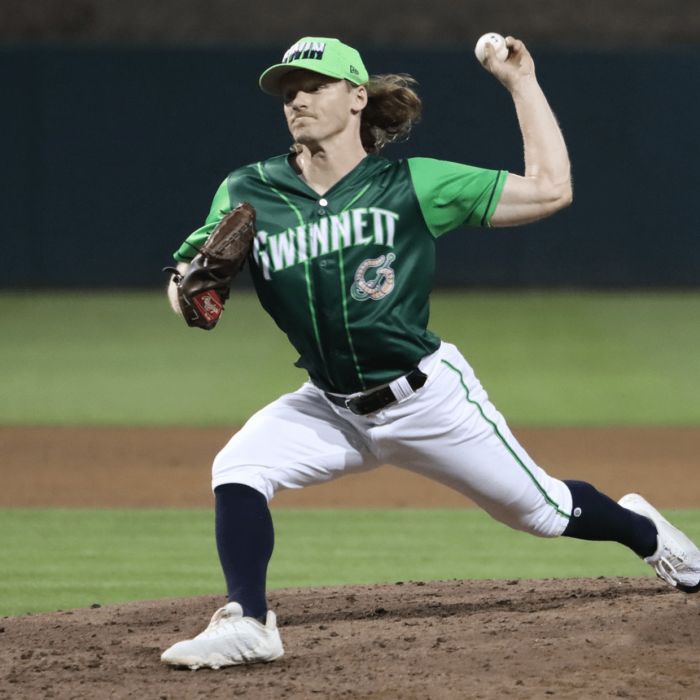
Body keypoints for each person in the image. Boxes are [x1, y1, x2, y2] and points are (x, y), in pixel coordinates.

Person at [161, 36, 700, 670]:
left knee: (544, 511)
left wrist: (521, 83)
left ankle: (646, 533)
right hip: (330, 405)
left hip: (426, 401)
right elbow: (188, 280)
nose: (297, 99)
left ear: (356, 97)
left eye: (314, 85)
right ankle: (249, 622)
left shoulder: (412, 183)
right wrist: (188, 291)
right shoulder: (249, 189)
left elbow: (551, 190)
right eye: (288, 91)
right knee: (239, 466)